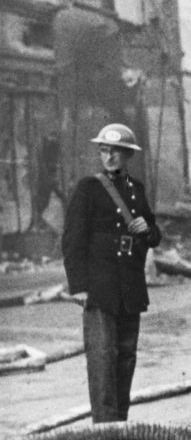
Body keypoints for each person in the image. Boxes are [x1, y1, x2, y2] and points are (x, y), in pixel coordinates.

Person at [62, 124, 162, 422]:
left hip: (129, 286)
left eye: (115, 152)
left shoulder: (136, 190)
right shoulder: (88, 188)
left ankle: (121, 423)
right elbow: (72, 240)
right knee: (103, 358)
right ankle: (105, 428)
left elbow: (154, 236)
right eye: (104, 151)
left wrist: (148, 230)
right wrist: (78, 286)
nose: (108, 157)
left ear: (128, 154)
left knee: (126, 356)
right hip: (100, 285)